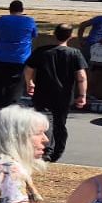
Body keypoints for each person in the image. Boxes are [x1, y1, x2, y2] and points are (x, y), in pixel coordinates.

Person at [25, 24, 88, 163]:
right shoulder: (74, 53)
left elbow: (29, 69)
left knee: (43, 122)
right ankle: (57, 151)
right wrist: (82, 95)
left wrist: (30, 83)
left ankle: (46, 149)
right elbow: (81, 76)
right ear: (71, 36)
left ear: (54, 34)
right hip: (64, 95)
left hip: (42, 93)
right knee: (60, 122)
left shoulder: (42, 51)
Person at [0, 0, 36, 110]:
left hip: (1, 56)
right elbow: (34, 34)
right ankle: (11, 104)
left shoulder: (2, 20)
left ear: (10, 9)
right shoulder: (29, 21)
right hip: (20, 57)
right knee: (16, 84)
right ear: (22, 9)